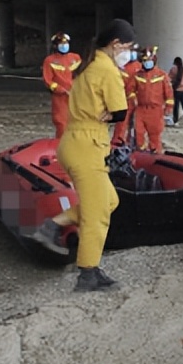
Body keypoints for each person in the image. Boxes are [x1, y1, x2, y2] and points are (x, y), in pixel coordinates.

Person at [29, 19, 135, 291]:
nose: (129, 53)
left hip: (75, 142)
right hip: (87, 145)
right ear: (115, 45)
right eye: (127, 47)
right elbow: (121, 111)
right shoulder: (107, 70)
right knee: (97, 211)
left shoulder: (87, 66)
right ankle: (88, 272)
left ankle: (53, 225)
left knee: (109, 200)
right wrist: (113, 114)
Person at [133, 46, 173, 153]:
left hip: (155, 109)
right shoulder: (138, 75)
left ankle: (155, 155)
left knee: (154, 135)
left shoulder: (161, 75)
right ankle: (141, 154)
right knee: (139, 133)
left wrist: (169, 108)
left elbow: (169, 93)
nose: (147, 63)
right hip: (141, 109)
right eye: (145, 60)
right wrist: (133, 102)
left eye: (149, 60)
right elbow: (132, 90)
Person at [42, 32, 82, 139]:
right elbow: (48, 80)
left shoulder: (75, 58)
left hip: (76, 95)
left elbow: (81, 73)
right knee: (62, 124)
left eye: (66, 43)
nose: (64, 45)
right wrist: (61, 89)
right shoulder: (49, 61)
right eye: (61, 43)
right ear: (55, 45)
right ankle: (60, 148)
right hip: (60, 98)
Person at [111, 45, 141, 146]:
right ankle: (118, 140)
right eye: (131, 51)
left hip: (137, 100)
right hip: (124, 98)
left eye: (135, 51)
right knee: (122, 121)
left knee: (137, 123)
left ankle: (134, 142)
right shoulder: (122, 67)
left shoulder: (140, 67)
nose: (133, 53)